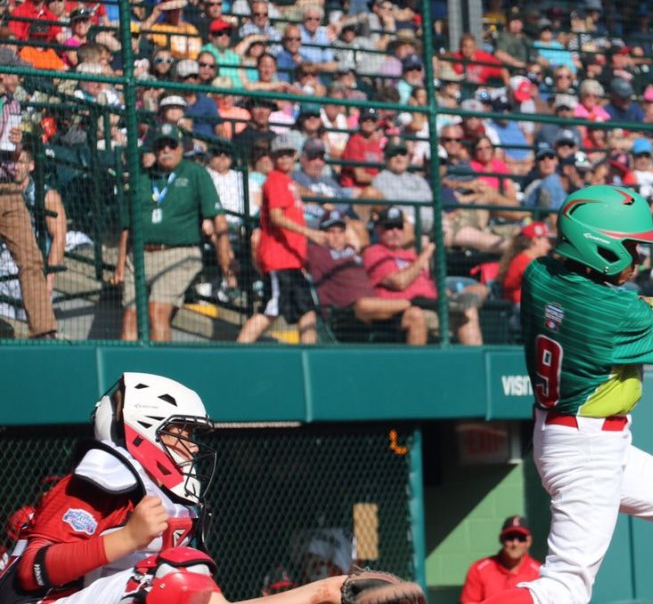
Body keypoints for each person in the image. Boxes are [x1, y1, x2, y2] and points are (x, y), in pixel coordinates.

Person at [480, 185, 653, 604]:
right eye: (632, 245)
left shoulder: (539, 275)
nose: (640, 255)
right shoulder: (619, 313)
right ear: (601, 247)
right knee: (564, 588)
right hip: (587, 447)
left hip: (576, 438)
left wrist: (647, 309)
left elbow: (592, 296)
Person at [0, 371, 421, 604]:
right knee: (176, 576)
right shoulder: (99, 478)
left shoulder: (170, 498)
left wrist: (324, 594)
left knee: (187, 572)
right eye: (181, 431)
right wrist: (126, 538)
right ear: (143, 428)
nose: (192, 445)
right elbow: (30, 569)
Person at [114, 125, 233, 342]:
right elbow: (127, 226)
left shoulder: (195, 173)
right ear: (154, 150)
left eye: (172, 144)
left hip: (179, 254)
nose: (166, 149)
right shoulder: (142, 178)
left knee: (157, 311)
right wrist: (120, 263)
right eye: (161, 145)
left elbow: (218, 218)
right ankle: (128, 371)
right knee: (129, 318)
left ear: (181, 148)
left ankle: (160, 371)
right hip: (139, 255)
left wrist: (226, 262)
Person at [237, 134, 327, 344]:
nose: (284, 159)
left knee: (308, 313)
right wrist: (311, 233)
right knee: (270, 310)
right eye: (280, 155)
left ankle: (308, 364)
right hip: (279, 259)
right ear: (273, 157)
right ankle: (237, 354)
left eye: (288, 154)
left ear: (295, 156)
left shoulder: (289, 183)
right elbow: (277, 217)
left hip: (292, 261)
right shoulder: (275, 181)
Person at [363, 208, 484, 346]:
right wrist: (425, 254)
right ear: (378, 229)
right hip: (399, 311)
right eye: (389, 227)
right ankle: (416, 366)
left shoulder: (410, 255)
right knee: (416, 314)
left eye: (399, 227)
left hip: (431, 305)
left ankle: (474, 363)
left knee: (468, 311)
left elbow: (426, 284)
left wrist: (444, 294)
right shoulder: (374, 253)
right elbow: (400, 282)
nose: (395, 232)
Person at [308, 210, 424, 344]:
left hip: (373, 311)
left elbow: (353, 235)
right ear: (321, 233)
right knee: (363, 304)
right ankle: (416, 302)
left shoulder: (353, 251)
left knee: (415, 315)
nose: (336, 236)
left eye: (340, 231)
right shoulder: (315, 252)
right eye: (331, 231)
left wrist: (346, 226)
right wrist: (317, 236)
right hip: (344, 313)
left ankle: (415, 365)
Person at [0, 72, 58, 340]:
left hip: (9, 189)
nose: (20, 78)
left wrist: (18, 141)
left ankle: (43, 330)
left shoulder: (13, 103)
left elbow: (13, 150)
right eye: (15, 73)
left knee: (31, 259)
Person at [459, 516, 542, 604]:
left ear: (528, 542)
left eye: (521, 538)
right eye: (510, 537)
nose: (515, 543)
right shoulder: (479, 569)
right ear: (501, 539)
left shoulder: (540, 572)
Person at [497, 222, 552, 305]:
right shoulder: (523, 261)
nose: (549, 246)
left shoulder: (534, 261)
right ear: (535, 241)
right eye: (546, 241)